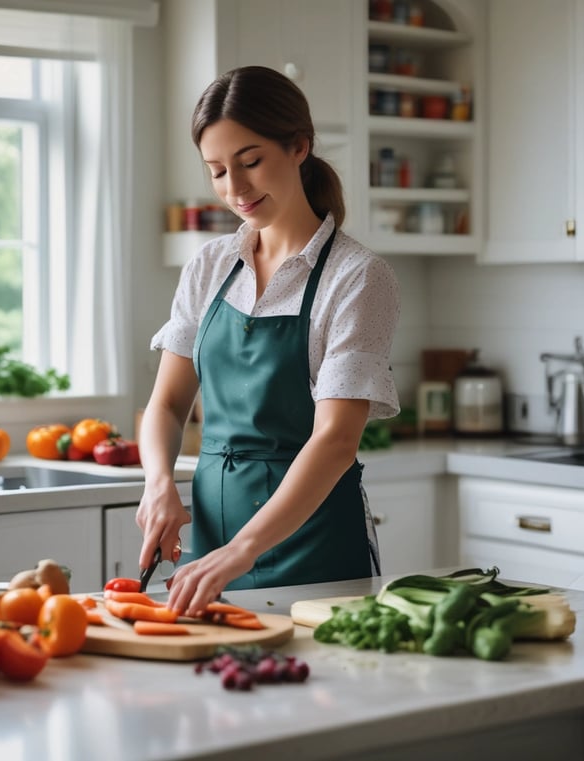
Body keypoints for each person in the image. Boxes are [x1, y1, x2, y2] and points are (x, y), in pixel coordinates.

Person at [137, 65, 400, 616]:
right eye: (216, 171)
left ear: (299, 146)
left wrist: (243, 550)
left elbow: (335, 441)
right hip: (213, 546)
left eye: (250, 162)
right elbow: (166, 404)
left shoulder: (355, 276)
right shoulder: (210, 265)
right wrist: (158, 481)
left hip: (314, 548)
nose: (235, 189)